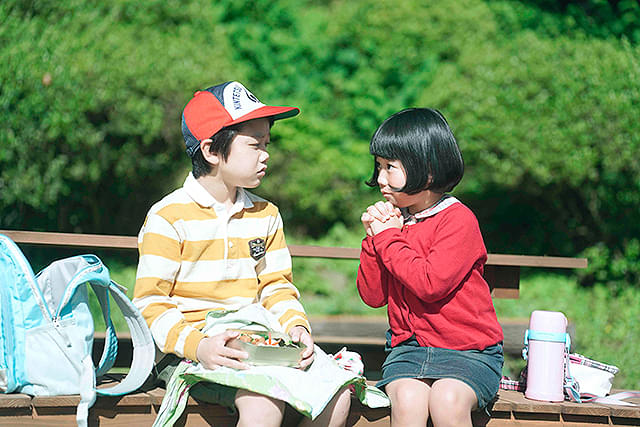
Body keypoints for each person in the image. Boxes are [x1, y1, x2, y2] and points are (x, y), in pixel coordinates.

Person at [133, 81, 351, 427]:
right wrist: (199, 346)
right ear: (211, 151)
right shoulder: (168, 217)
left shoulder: (266, 214)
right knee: (264, 401)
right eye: (254, 144)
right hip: (190, 350)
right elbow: (151, 303)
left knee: (337, 395)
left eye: (267, 144)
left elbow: (276, 287)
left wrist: (296, 326)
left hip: (258, 342)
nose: (265, 154)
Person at [356, 108, 504, 427]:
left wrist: (387, 237)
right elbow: (372, 296)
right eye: (379, 166)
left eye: (390, 167)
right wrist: (372, 240)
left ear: (428, 170)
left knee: (446, 400)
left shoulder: (458, 220)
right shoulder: (394, 222)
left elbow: (429, 284)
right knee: (408, 400)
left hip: (469, 352)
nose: (380, 178)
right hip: (409, 352)